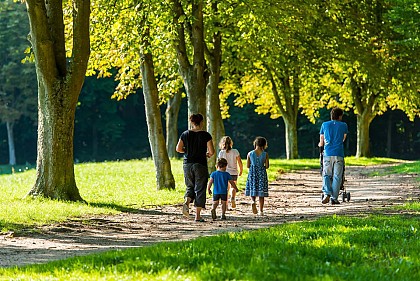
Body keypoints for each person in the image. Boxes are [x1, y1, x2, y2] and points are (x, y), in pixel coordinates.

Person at [176, 113, 215, 222]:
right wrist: (205, 154)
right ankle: (197, 216)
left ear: (191, 122)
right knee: (200, 188)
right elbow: (211, 151)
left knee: (190, 186)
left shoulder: (185, 134)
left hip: (187, 164)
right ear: (201, 122)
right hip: (200, 164)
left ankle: (187, 202)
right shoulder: (206, 135)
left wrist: (187, 151)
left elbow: (178, 149)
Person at [319, 107, 348, 205]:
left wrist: (321, 147)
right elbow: (343, 139)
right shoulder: (343, 125)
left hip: (327, 153)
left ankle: (326, 192)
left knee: (326, 174)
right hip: (339, 153)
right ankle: (334, 198)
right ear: (340, 116)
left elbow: (321, 141)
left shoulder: (324, 125)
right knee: (337, 176)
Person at [245, 136, 269, 216]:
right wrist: (262, 167)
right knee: (261, 193)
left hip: (253, 173)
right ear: (264, 144)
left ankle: (253, 201)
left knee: (253, 188)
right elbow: (267, 166)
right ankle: (261, 211)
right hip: (262, 173)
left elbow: (248, 165)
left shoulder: (250, 153)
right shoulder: (265, 154)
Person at [218, 136, 243, 209]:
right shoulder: (235, 151)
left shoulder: (221, 152)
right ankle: (232, 198)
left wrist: (218, 171)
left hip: (224, 172)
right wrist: (241, 170)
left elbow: (219, 163)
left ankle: (225, 205)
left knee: (226, 189)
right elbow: (240, 162)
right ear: (231, 143)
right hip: (233, 172)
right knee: (233, 186)